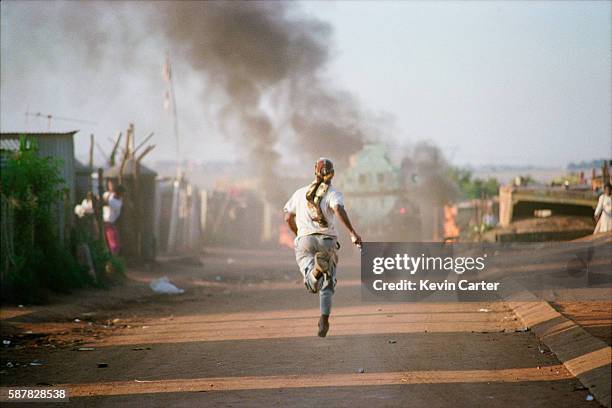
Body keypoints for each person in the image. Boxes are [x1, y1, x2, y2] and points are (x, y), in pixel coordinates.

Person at [284, 158, 362, 337]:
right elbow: (339, 210)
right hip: (327, 241)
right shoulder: (333, 193)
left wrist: (298, 234)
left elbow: (288, 217)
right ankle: (324, 319)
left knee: (311, 283)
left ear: (314, 172)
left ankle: (316, 271)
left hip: (305, 240)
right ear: (332, 174)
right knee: (327, 286)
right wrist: (352, 233)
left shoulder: (300, 193)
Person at [103, 183, 125, 255]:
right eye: (122, 193)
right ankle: (112, 257)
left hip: (109, 223)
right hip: (106, 223)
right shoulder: (112, 197)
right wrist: (111, 190)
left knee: (113, 243)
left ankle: (113, 257)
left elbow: (105, 202)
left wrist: (110, 191)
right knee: (113, 243)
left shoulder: (117, 202)